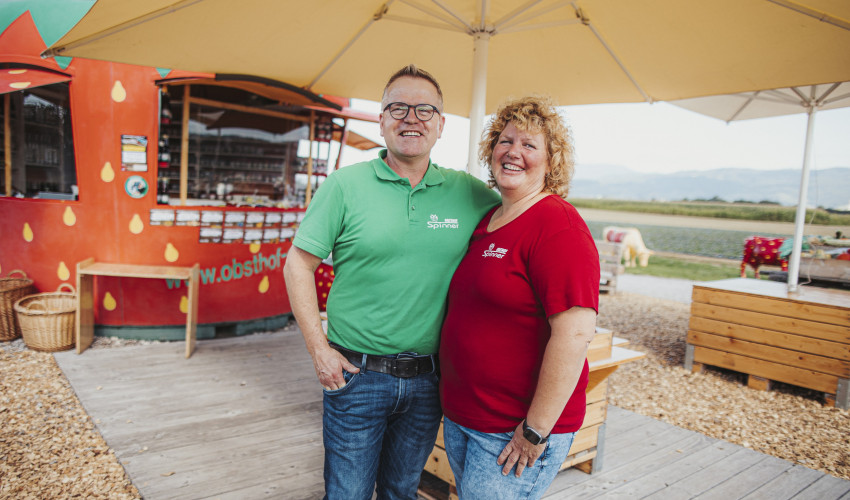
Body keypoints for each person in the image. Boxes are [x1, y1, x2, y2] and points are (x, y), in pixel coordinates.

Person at [282, 65, 501, 500]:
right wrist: (319, 351)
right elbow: (297, 264)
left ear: (441, 125)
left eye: (425, 109)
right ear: (382, 119)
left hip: (430, 381)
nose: (411, 118)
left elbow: (523, 217)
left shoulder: (471, 194)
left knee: (401, 491)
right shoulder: (345, 186)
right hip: (354, 374)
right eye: (398, 107)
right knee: (347, 493)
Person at [439, 96, 600, 500]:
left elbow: (575, 336)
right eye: (505, 141)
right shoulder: (491, 219)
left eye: (529, 145)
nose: (513, 152)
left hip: (512, 432)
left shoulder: (558, 226)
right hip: (466, 418)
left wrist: (534, 430)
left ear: (552, 162)